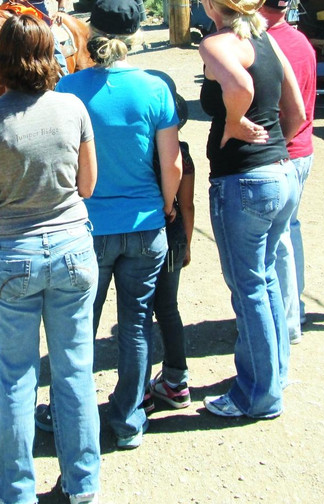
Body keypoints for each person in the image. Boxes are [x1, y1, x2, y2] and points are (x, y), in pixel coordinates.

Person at [0, 14, 100, 504]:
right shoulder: (73, 108)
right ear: (52, 55)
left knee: (17, 378)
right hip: (72, 250)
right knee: (74, 370)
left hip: (12, 255)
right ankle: (82, 483)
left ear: (0, 60)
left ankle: (16, 488)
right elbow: (87, 186)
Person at [55, 0, 181, 449]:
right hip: (146, 225)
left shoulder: (68, 89)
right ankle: (128, 420)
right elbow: (173, 165)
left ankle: (69, 413)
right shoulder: (155, 88)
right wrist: (166, 207)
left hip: (87, 228)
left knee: (78, 325)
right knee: (135, 325)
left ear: (90, 33)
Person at [191, 0, 305, 421]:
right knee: (268, 280)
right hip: (280, 171)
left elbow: (237, 84)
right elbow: (296, 111)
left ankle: (257, 395)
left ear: (212, 1)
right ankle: (273, 374)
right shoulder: (265, 41)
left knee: (249, 288)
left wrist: (234, 122)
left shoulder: (216, 43)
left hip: (244, 180)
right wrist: (264, 132)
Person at [258, 0, 317, 344]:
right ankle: (294, 307)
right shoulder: (300, 41)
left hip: (283, 150)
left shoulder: (265, 45)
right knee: (289, 232)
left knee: (275, 240)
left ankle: (286, 322)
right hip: (302, 149)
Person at [143, 76, 194, 411]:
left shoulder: (140, 150)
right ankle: (177, 381)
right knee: (169, 309)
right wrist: (187, 243)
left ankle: (141, 390)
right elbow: (186, 204)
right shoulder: (183, 153)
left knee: (141, 314)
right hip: (174, 234)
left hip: (144, 232)